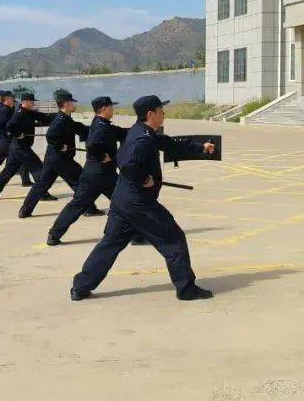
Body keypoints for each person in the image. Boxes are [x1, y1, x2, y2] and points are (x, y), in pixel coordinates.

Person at [70, 95, 216, 303]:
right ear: (151, 114)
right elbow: (126, 162)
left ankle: (80, 286)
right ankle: (186, 289)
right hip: (138, 203)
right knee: (174, 239)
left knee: (110, 243)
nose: (164, 114)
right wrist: (143, 178)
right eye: (161, 110)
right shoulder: (142, 138)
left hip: (122, 200)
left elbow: (167, 144)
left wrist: (200, 147)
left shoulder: (140, 131)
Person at [46, 96, 123, 245]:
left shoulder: (99, 123)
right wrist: (100, 156)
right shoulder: (101, 126)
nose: (113, 109)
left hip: (91, 174)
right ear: (104, 109)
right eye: (111, 107)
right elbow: (92, 144)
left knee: (76, 205)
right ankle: (137, 234)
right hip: (103, 174)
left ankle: (54, 234)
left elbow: (113, 132)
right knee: (125, 202)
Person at [18, 90, 103, 219]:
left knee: (41, 185)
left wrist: (96, 130)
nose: (74, 105)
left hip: (52, 159)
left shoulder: (66, 119)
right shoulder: (60, 120)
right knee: (80, 182)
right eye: (72, 103)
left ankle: (25, 210)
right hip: (61, 159)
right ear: (66, 104)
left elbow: (79, 129)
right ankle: (89, 208)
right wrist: (60, 146)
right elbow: (50, 135)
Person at [0, 91, 52, 200]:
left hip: (16, 148)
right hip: (20, 147)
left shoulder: (29, 112)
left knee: (8, 171)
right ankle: (43, 194)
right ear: (25, 102)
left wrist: (61, 116)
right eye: (31, 102)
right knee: (37, 167)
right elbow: (9, 125)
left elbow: (44, 117)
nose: (33, 104)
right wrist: (18, 134)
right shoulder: (20, 113)